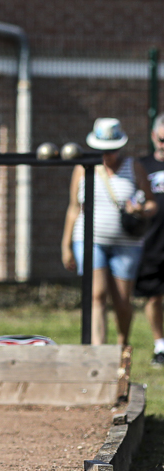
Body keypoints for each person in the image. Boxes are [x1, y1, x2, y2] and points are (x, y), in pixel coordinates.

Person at [61, 118, 156, 345]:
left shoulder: (134, 167)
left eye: (111, 150)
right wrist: (66, 246)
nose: (107, 155)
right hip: (90, 240)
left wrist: (141, 209)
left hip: (126, 244)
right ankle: (98, 350)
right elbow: (74, 208)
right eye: (102, 150)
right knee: (97, 295)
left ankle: (123, 346)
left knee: (122, 301)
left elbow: (152, 203)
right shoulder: (82, 169)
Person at [135, 115, 164, 366]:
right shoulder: (142, 166)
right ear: (154, 136)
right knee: (154, 297)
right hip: (152, 242)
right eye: (162, 139)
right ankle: (160, 346)